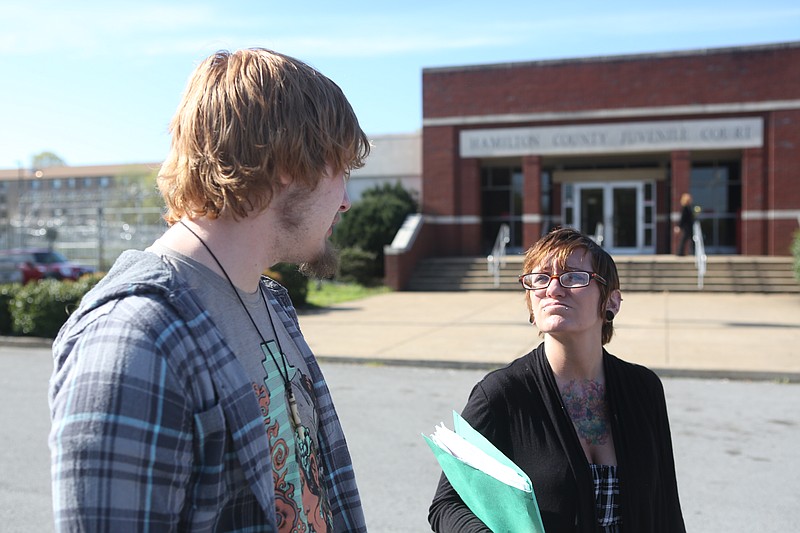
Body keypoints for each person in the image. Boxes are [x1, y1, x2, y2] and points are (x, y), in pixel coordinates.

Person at [48, 48, 370, 532]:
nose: (346, 201)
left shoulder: (271, 302)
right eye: (341, 170)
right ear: (288, 162)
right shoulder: (135, 339)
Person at [429, 227, 685, 533]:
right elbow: (447, 504)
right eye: (539, 279)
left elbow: (666, 503)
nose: (553, 289)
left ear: (611, 302)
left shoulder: (643, 388)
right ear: (531, 306)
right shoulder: (501, 394)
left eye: (573, 277)